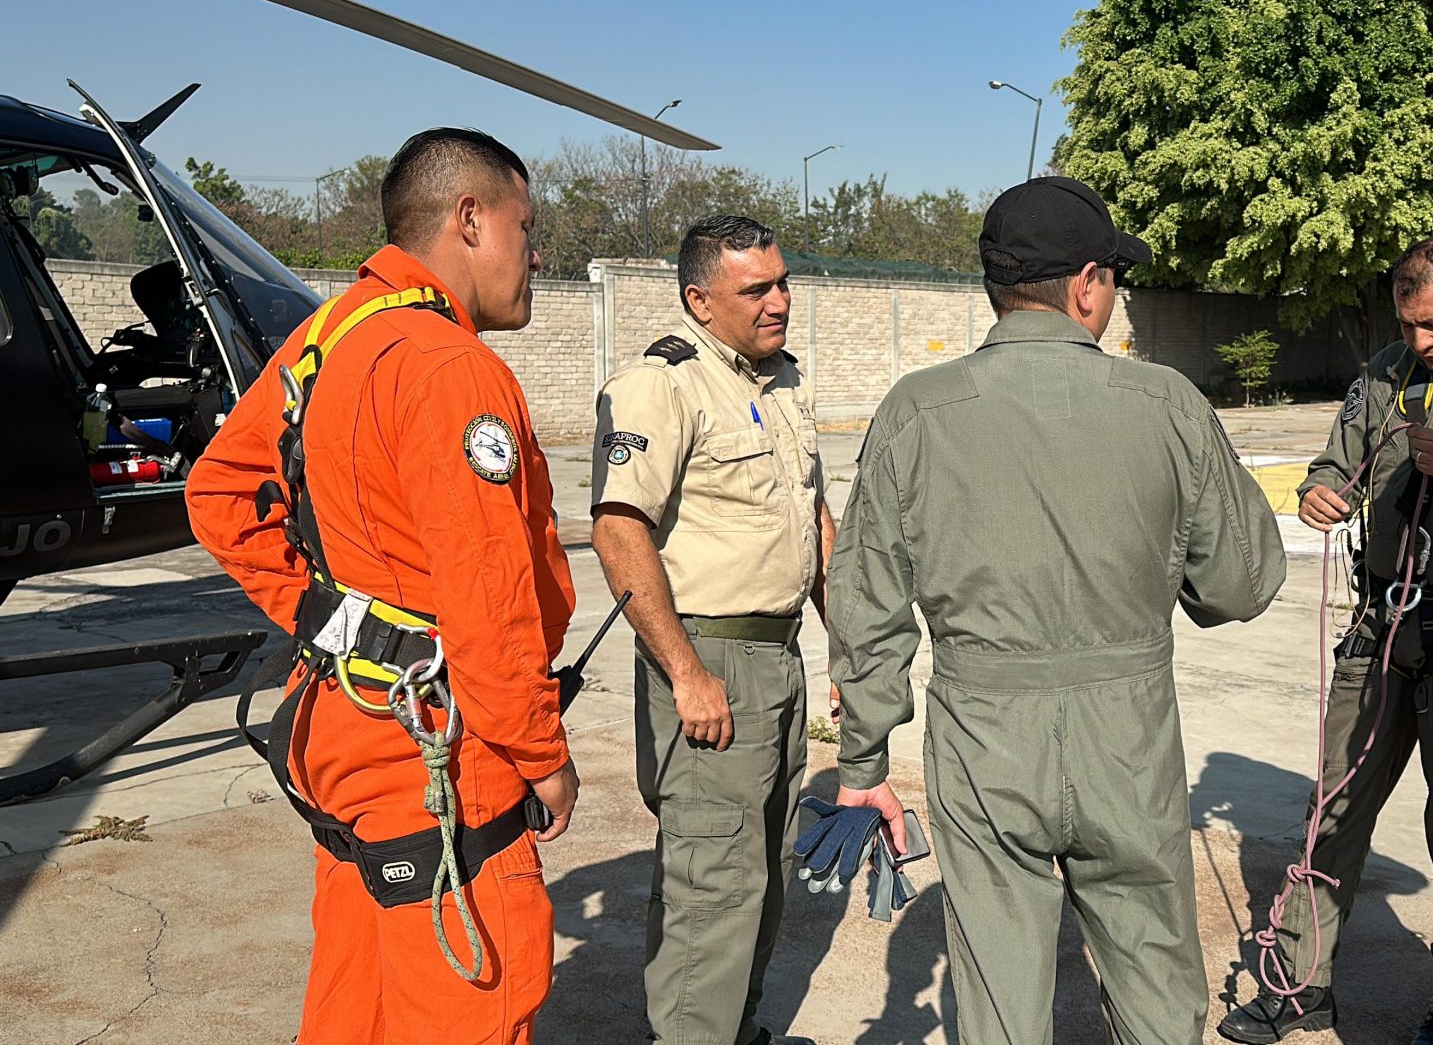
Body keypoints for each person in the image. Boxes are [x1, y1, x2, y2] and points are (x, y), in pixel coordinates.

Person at [828, 176, 1287, 1044]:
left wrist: (862, 763)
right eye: (1113, 277)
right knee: (1155, 979)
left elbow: (867, 605)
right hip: (1131, 734)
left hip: (983, 733)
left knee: (1001, 997)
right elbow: (1243, 581)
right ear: (1085, 285)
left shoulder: (916, 411)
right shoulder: (1167, 404)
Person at [186, 128, 577, 1044]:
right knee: (471, 1005)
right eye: (526, 227)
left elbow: (221, 494)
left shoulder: (330, 334)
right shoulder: (451, 368)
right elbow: (488, 597)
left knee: (355, 1007)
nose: (535, 253)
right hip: (436, 750)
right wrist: (540, 754)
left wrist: (339, 629)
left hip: (344, 727)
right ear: (470, 219)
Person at [1219, 237, 1433, 1045]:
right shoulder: (1385, 373)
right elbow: (1338, 461)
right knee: (1330, 813)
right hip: (1381, 626)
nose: (1420, 342)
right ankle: (1302, 985)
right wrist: (1321, 490)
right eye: (1407, 324)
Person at [589, 215, 832, 1045]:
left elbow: (813, 518)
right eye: (755, 289)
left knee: (762, 878)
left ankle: (738, 1031)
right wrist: (687, 672)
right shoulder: (664, 385)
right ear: (699, 298)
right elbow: (619, 532)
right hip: (709, 657)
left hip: (780, 656)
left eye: (783, 282)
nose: (780, 302)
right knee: (713, 885)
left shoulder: (782, 381)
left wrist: (853, 645)